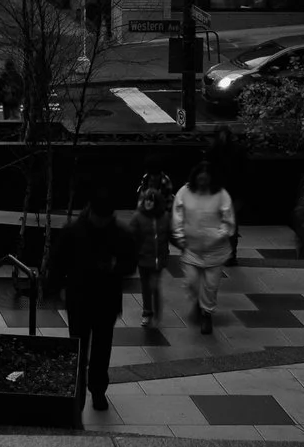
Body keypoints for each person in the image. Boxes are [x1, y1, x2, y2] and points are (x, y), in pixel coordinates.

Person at [48, 188, 134, 415]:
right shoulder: (75, 232)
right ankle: (80, 390)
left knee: (100, 347)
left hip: (103, 298)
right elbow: (58, 263)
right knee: (80, 347)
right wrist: (57, 288)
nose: (103, 222)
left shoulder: (117, 233)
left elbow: (130, 264)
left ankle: (96, 390)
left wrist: (115, 266)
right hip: (82, 298)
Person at [171, 163, 238, 334]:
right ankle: (197, 300)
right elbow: (178, 215)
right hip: (191, 249)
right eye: (199, 179)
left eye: (206, 179)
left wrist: (218, 235)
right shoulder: (184, 192)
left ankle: (206, 313)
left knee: (211, 285)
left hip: (215, 251)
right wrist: (179, 237)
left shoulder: (221, 194)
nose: (202, 183)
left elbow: (228, 220)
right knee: (192, 282)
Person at [121, 179, 169, 326]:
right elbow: (130, 235)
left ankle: (155, 309)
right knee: (146, 286)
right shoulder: (138, 217)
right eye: (147, 200)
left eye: (152, 201)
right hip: (143, 259)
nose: (148, 203)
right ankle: (147, 311)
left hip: (158, 259)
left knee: (154, 285)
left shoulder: (164, 217)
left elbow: (170, 234)